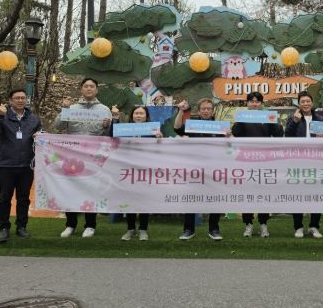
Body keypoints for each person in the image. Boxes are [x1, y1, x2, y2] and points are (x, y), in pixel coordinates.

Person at [53, 77, 112, 238]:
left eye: (92, 86)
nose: (89, 89)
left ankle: (90, 225)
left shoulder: (104, 110)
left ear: (97, 90)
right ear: (81, 89)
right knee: (70, 190)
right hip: (72, 157)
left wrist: (107, 126)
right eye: (86, 86)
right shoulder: (71, 108)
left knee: (90, 189)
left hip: (93, 157)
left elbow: (109, 135)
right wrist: (64, 110)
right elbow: (58, 127)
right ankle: (70, 225)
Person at [0, 88, 42, 243]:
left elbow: (40, 136)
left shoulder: (33, 119)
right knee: (4, 198)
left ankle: (21, 227)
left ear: (26, 100)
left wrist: (40, 136)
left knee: (23, 198)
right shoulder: (3, 116)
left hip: (26, 165)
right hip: (7, 165)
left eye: (23, 98)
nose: (20, 100)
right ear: (10, 100)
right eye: (17, 98)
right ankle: (4, 228)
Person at [173, 98, 227, 241]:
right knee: (191, 199)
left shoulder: (220, 127)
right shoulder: (192, 124)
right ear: (199, 110)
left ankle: (214, 229)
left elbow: (229, 144)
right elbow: (177, 128)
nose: (206, 111)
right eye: (203, 108)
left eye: (209, 108)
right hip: (194, 169)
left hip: (214, 169)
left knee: (215, 199)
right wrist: (181, 111)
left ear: (213, 111)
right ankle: (188, 229)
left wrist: (229, 135)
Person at [232, 91, 283, 237]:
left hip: (264, 161)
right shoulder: (243, 117)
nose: (254, 104)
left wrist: (274, 121)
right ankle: (248, 224)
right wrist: (240, 120)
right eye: (251, 101)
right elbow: (236, 133)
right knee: (247, 193)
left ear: (261, 104)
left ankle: (263, 224)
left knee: (263, 194)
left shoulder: (267, 116)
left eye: (257, 101)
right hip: (246, 160)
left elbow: (279, 134)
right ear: (247, 103)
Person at [112, 104, 163, 242]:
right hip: (128, 170)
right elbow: (112, 136)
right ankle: (130, 229)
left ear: (146, 116)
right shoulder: (125, 129)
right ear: (132, 116)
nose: (138, 116)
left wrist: (159, 138)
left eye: (141, 113)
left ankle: (143, 229)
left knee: (144, 200)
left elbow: (159, 149)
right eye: (136, 113)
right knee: (129, 199)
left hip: (145, 170)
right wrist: (115, 118)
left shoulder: (153, 130)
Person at [284, 91, 323, 239]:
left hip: (316, 161)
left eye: (308, 101)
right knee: (298, 195)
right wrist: (295, 122)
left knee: (317, 195)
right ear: (299, 104)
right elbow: (287, 136)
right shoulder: (293, 118)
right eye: (303, 101)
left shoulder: (320, 119)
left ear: (312, 103)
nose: (306, 104)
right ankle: (298, 227)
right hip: (298, 161)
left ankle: (314, 226)